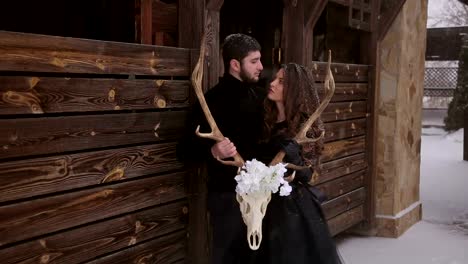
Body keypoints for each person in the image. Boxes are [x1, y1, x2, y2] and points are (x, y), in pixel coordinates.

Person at [177, 33, 266, 264]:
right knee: (228, 256)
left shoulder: (260, 96)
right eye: (254, 61)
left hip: (262, 196)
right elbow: (183, 149)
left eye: (260, 60)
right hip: (227, 197)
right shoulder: (211, 101)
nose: (261, 67)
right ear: (235, 65)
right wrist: (213, 152)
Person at [258, 63, 343, 264]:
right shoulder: (266, 119)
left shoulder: (305, 126)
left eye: (281, 82)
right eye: (274, 79)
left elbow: (307, 174)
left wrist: (294, 158)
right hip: (260, 204)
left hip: (291, 209)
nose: (272, 84)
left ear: (294, 90)